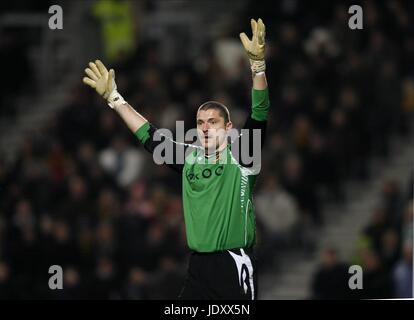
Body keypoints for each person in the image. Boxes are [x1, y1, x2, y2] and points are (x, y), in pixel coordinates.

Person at [82, 18, 270, 300]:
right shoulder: (189, 157)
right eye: (200, 122)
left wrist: (257, 67)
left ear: (229, 129)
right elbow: (149, 135)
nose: (205, 127)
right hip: (198, 266)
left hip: (232, 262)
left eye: (213, 122)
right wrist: (115, 98)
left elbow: (260, 112)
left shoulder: (242, 155)